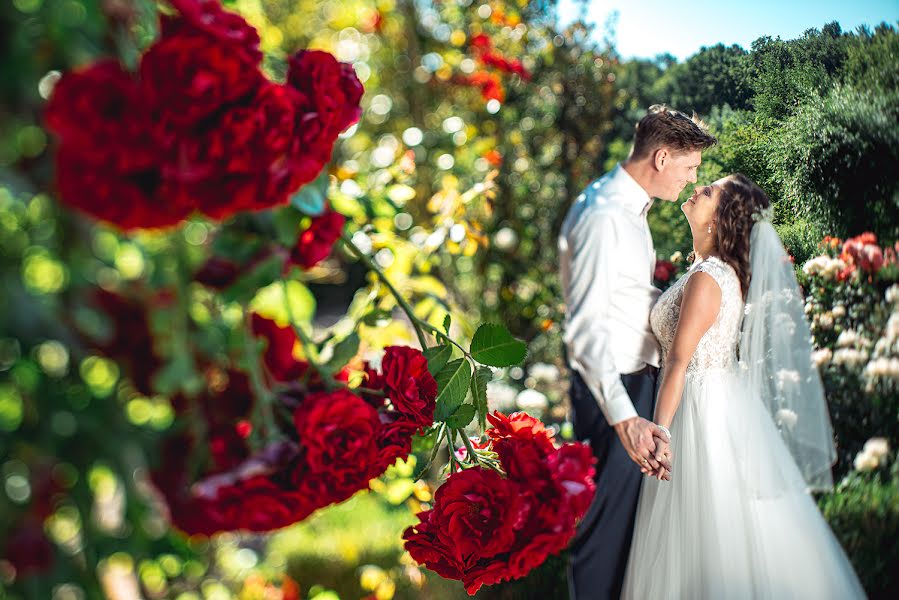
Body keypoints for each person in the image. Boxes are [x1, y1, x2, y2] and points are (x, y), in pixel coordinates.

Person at [621, 174, 866, 599]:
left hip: (698, 413)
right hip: (712, 403)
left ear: (719, 219)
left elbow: (679, 363)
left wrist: (659, 434)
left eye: (709, 191)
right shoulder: (705, 272)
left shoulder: (708, 278)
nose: (696, 190)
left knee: (705, 540)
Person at [558, 105, 717, 600]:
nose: (693, 180)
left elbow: (624, 301)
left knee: (630, 539)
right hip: (613, 393)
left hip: (634, 384)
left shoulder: (630, 209)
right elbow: (583, 332)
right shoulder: (604, 215)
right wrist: (625, 418)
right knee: (604, 540)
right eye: (690, 168)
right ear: (663, 157)